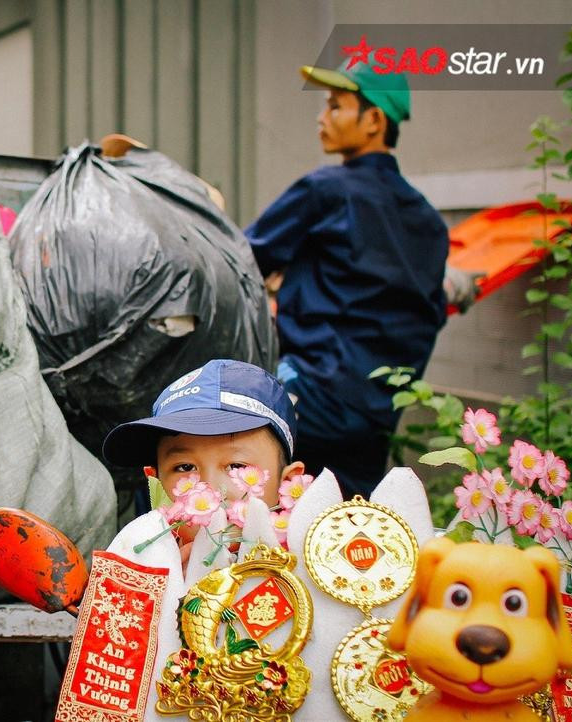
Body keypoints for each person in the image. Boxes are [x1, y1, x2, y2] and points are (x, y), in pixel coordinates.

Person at [245, 60, 449, 499]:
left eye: (336, 106)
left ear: (374, 120)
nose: (322, 117)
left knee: (265, 514)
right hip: (378, 413)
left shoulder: (327, 191)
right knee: (354, 529)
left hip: (310, 397)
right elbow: (432, 312)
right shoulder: (430, 222)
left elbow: (243, 260)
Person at [98, 358, 307, 720]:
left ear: (290, 481)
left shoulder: (314, 565)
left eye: (237, 467)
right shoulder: (144, 562)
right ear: (156, 481)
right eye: (184, 468)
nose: (211, 487)